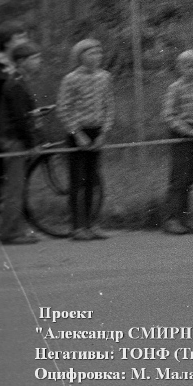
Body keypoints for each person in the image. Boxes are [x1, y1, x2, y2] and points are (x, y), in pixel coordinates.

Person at [57, 37, 114, 241]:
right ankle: (77, 226)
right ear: (81, 56)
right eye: (91, 53)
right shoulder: (71, 79)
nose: (96, 57)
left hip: (96, 132)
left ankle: (92, 223)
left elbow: (109, 107)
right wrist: (77, 133)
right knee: (77, 181)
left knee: (93, 180)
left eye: (99, 53)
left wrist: (103, 133)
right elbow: (63, 109)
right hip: (77, 134)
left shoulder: (105, 77)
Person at [0, 20, 29, 240]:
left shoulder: (19, 65)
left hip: (13, 125)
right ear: (7, 42)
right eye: (20, 37)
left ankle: (6, 225)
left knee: (9, 177)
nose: (25, 41)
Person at [0, 43, 44, 244]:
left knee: (18, 187)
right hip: (14, 141)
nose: (38, 62)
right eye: (34, 58)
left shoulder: (20, 80)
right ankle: (9, 232)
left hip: (17, 139)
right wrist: (32, 142)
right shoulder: (15, 83)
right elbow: (20, 119)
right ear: (21, 62)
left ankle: (17, 229)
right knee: (15, 188)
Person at [161, 50, 193, 236]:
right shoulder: (175, 88)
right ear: (180, 68)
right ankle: (170, 219)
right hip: (180, 133)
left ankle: (185, 217)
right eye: (190, 66)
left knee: (189, 177)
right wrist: (188, 130)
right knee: (178, 178)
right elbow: (168, 115)